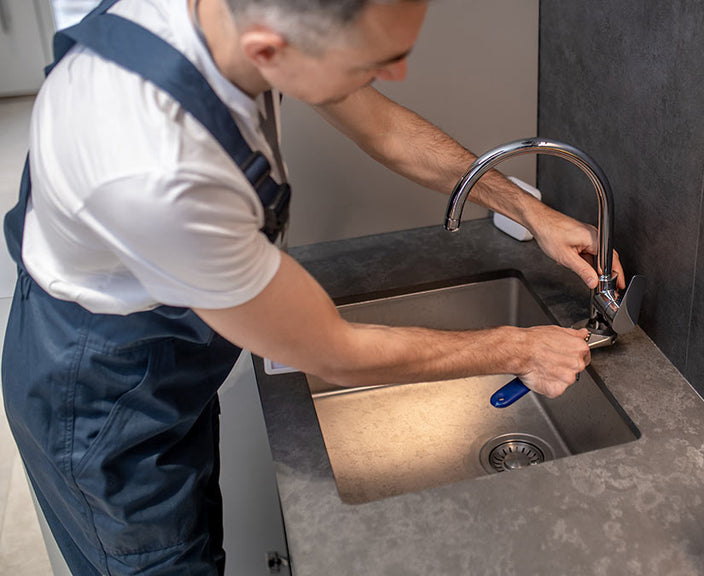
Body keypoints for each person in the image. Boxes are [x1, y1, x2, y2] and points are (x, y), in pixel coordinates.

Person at [2, 0, 627, 574]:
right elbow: (334, 352)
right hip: (103, 401)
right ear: (269, 52)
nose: (400, 73)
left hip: (164, 344)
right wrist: (520, 350)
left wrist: (531, 212)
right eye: (376, 62)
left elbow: (382, 127)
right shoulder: (157, 171)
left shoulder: (231, 19)